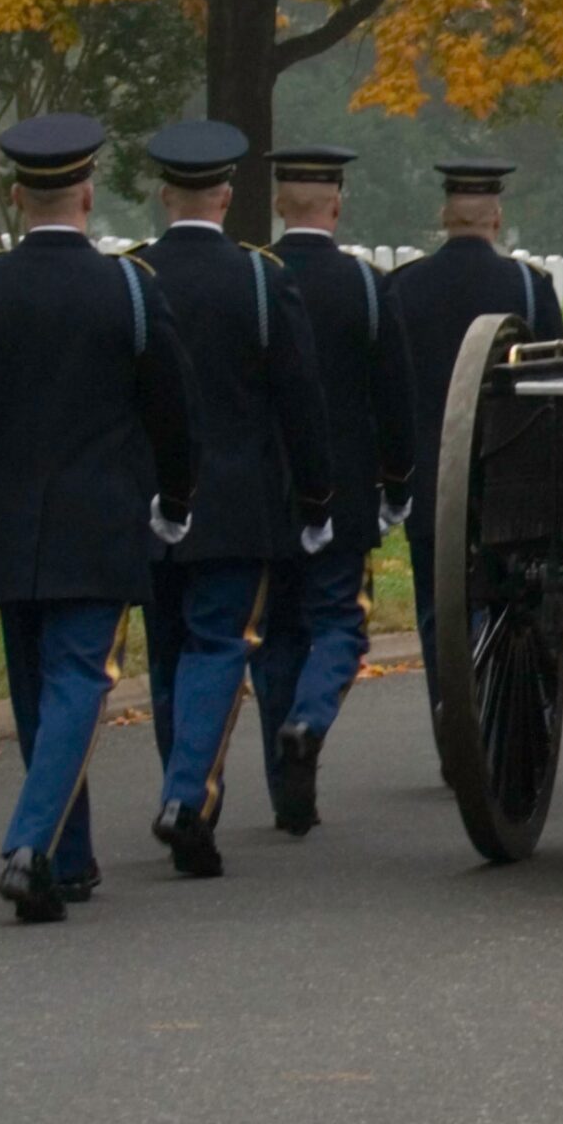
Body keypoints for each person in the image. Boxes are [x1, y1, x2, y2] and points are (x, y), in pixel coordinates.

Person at [0, 115, 197, 922]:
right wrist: (177, 501)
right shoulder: (132, 289)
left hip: (9, 522)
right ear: (87, 192)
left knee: (40, 692)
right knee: (76, 682)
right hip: (101, 523)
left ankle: (68, 859)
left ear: (15, 196)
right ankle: (36, 848)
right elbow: (173, 412)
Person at [134, 120, 335, 879]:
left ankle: (183, 791)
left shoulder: (133, 274)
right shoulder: (259, 277)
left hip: (153, 503)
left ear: (163, 195)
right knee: (218, 646)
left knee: (169, 656)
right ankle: (188, 799)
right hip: (239, 502)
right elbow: (299, 400)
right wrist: (317, 499)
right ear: (225, 193)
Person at [247, 146, 418, 834]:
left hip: (264, 492)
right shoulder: (367, 285)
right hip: (344, 491)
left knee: (277, 637)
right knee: (340, 625)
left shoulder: (255, 278)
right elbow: (393, 394)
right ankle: (310, 720)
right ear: (336, 204)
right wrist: (397, 482)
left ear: (281, 204)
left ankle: (290, 798)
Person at [386, 161, 563, 698]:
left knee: (436, 609)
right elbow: (552, 385)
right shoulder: (529, 288)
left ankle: (452, 719)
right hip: (506, 478)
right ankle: (493, 706)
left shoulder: (403, 287)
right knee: (508, 595)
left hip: (430, 478)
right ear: (496, 217)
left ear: (445, 216)